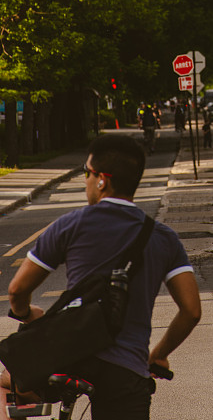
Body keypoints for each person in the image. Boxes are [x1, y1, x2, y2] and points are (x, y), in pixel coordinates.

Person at [3, 134, 201, 419]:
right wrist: (158, 353)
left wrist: (25, 313)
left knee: (7, 380)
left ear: (102, 180)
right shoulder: (163, 238)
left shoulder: (70, 225)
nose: (86, 180)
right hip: (125, 369)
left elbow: (17, 290)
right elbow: (192, 311)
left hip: (67, 359)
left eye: (87, 173)